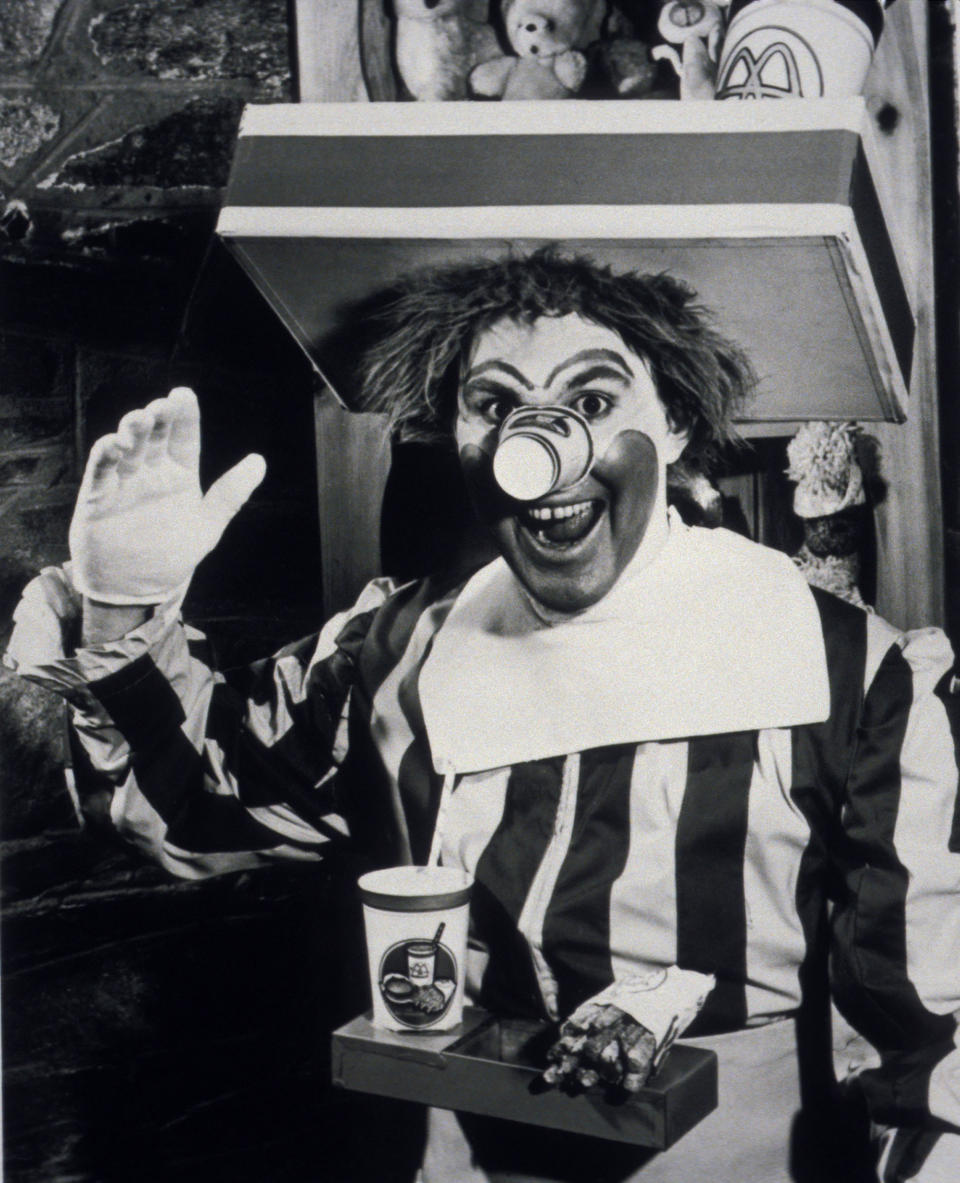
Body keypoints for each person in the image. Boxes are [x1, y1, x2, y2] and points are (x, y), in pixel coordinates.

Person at [6, 248, 960, 1182]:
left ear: (670, 422)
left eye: (591, 402)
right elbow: (202, 808)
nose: (537, 457)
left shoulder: (848, 670)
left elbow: (933, 1028)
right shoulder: (395, 647)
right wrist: (123, 603)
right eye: (496, 406)